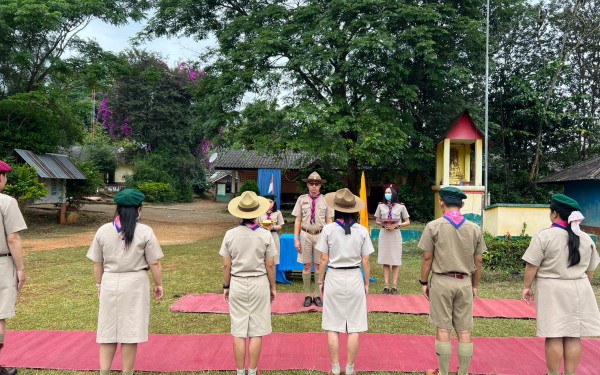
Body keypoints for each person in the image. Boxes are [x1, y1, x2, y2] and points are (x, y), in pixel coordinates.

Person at [87, 189, 164, 375]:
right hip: (135, 283)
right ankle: (127, 372)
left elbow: (97, 262)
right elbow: (154, 262)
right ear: (139, 209)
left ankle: (104, 372)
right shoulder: (145, 231)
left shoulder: (103, 230)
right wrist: (159, 284)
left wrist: (99, 284)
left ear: (118, 208)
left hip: (110, 281)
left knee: (108, 330)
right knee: (131, 331)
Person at [522, 194, 600, 375]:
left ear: (555, 214)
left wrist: (527, 286)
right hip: (579, 288)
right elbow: (590, 270)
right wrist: (581, 285)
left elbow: (532, 264)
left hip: (552, 289)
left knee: (554, 334)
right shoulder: (586, 238)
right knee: (574, 335)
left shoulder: (544, 236)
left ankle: (554, 373)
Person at [419, 187, 485, 375]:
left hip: (441, 281)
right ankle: (463, 372)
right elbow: (478, 260)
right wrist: (475, 285)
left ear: (442, 203)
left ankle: (443, 372)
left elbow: (426, 257)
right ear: (462, 205)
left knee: (443, 327)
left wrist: (424, 282)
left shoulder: (433, 226)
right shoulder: (475, 228)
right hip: (464, 282)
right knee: (464, 330)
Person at [316, 188, 374, 375]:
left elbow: (323, 259)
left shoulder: (328, 229)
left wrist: (320, 280)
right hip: (354, 277)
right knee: (354, 327)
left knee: (333, 326)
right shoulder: (362, 230)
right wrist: (366, 282)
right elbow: (366, 260)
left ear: (336, 209)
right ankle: (350, 369)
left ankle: (335, 367)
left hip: (334, 276)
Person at [220, 191, 277, 375]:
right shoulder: (265, 235)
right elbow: (270, 264)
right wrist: (273, 286)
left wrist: (226, 286)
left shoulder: (230, 235)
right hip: (259, 282)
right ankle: (252, 371)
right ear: (257, 212)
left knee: (238, 330)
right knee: (256, 330)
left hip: (237, 282)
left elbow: (226, 265)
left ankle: (239, 371)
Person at [0, 161, 27, 375]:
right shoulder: (6, 202)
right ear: (1, 178)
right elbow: (13, 238)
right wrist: (20, 268)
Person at [292, 171, 334, 307]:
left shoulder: (326, 200)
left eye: (317, 184)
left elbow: (329, 220)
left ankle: (317, 295)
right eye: (311, 184)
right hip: (305, 234)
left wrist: (330, 238)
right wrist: (296, 239)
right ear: (308, 185)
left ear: (320, 186)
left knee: (318, 265)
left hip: (321, 235)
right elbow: (298, 220)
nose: (314, 186)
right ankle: (307, 295)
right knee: (306, 265)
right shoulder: (301, 199)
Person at [374, 184, 410, 295]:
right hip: (384, 234)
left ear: (394, 193)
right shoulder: (381, 206)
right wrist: (383, 224)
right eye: (386, 192)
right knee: (385, 260)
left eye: (389, 192)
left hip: (395, 234)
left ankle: (394, 286)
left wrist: (397, 225)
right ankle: (386, 286)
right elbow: (377, 220)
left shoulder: (401, 207)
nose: (387, 194)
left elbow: (407, 221)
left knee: (395, 260)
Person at [258, 194, 285, 264]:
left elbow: (280, 225)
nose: (268, 204)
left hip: (273, 235)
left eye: (270, 202)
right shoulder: (259, 212)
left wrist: (272, 227)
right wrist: (262, 227)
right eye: (266, 202)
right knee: (261, 255)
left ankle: (273, 272)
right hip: (262, 235)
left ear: (274, 202)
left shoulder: (278, 213)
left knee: (274, 255)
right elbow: (256, 224)